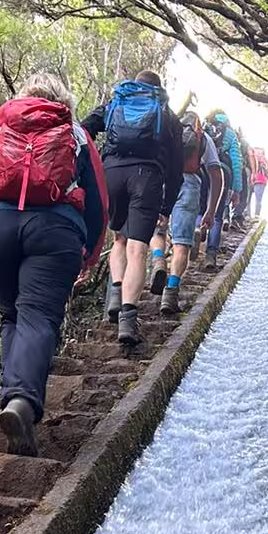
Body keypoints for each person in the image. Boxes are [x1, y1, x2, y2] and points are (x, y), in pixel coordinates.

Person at [0, 73, 108, 458]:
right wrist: (90, 252)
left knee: (11, 315)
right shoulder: (77, 134)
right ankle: (21, 402)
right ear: (64, 100)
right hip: (54, 231)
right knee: (38, 317)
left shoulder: (3, 124)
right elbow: (98, 202)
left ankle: (13, 397)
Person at [81, 70, 183, 352]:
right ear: (158, 89)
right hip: (147, 177)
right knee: (138, 250)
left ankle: (115, 291)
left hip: (111, 173)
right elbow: (176, 169)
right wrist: (167, 205)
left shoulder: (115, 103)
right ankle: (128, 319)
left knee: (119, 239)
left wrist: (91, 166)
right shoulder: (167, 114)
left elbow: (84, 127)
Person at [150, 108, 225, 317]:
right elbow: (216, 174)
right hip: (189, 183)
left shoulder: (166, 129)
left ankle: (158, 260)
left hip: (162, 181)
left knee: (158, 231)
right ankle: (171, 293)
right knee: (182, 243)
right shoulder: (204, 137)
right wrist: (210, 210)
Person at [202, 109, 243, 269]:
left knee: (200, 209)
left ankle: (198, 231)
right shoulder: (231, 134)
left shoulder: (204, 127)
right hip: (223, 173)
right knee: (217, 216)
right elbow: (236, 162)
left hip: (203, 170)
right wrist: (237, 189)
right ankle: (210, 255)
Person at [250, 146, 268, 217]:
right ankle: (255, 215)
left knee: (249, 199)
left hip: (255, 180)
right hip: (259, 180)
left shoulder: (253, 157)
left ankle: (250, 215)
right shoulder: (264, 160)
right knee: (256, 199)